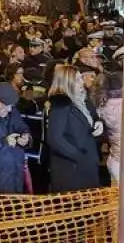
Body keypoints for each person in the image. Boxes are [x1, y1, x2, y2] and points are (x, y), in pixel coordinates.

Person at [46, 64, 103, 193]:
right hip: (71, 169)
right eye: (77, 80)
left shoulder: (84, 100)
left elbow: (93, 118)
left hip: (87, 163)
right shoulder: (61, 105)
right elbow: (54, 138)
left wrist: (99, 123)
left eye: (80, 79)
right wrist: (78, 156)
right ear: (67, 83)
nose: (81, 83)